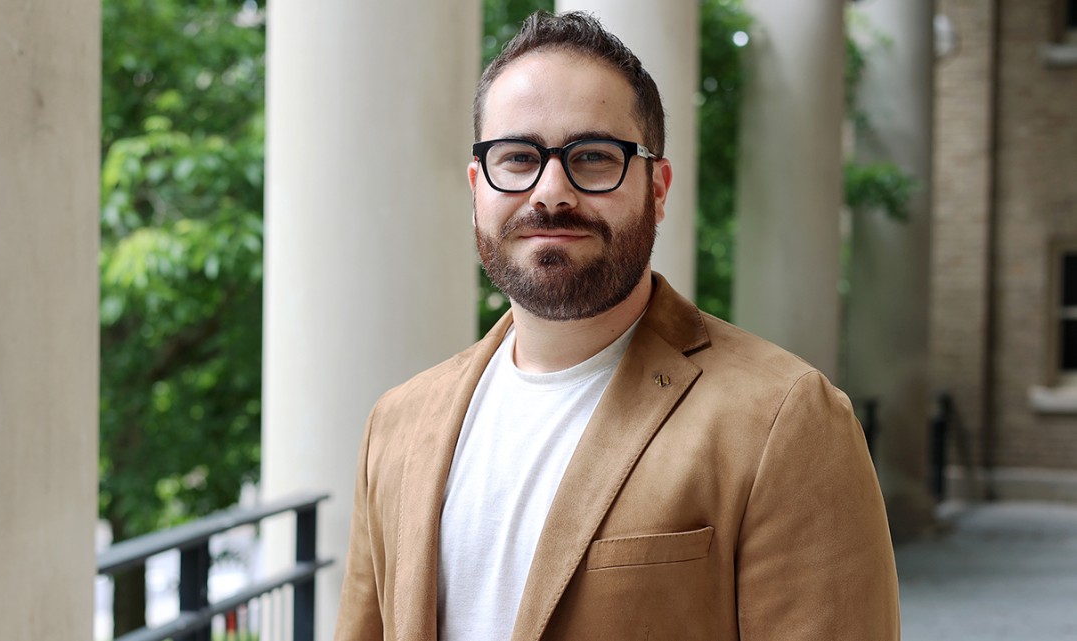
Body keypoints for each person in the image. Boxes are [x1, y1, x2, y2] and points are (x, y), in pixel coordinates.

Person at [336, 10, 899, 641]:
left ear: (658, 188)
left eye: (594, 157)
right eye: (518, 157)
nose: (550, 192)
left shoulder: (786, 420)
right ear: (477, 187)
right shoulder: (397, 424)